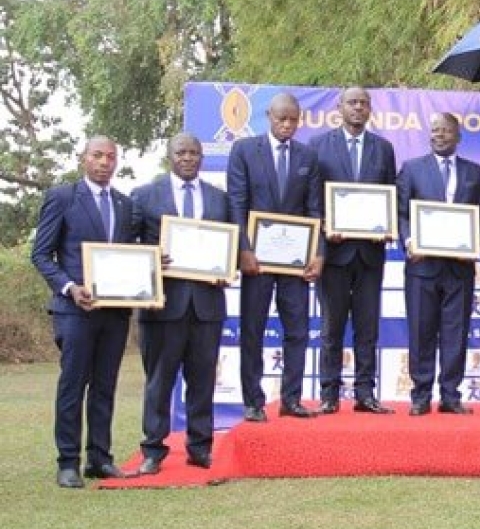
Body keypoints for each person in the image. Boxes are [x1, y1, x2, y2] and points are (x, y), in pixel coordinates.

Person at [31, 136, 134, 487]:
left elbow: (132, 256)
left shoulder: (124, 204)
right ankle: (68, 462)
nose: (105, 162)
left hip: (115, 312)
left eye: (111, 157)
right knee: (73, 385)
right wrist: (69, 287)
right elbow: (41, 254)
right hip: (75, 311)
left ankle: (100, 459)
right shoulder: (62, 197)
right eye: (98, 156)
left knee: (105, 386)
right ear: (83, 159)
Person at [131, 133, 232, 474]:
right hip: (163, 306)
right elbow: (128, 249)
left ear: (202, 157)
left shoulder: (220, 199)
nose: (188, 158)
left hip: (206, 305)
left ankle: (200, 447)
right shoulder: (144, 196)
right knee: (159, 381)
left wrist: (226, 268)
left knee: (202, 379)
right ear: (169, 156)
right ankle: (153, 450)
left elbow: (230, 245)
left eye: (194, 153)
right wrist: (150, 259)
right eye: (182, 152)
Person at [227, 92, 324, 422]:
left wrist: (318, 253)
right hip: (256, 261)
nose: (287, 125)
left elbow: (314, 209)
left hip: (295, 262)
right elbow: (236, 204)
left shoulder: (307, 156)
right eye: (282, 118)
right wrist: (243, 248)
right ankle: (253, 401)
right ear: (269, 116)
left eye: (293, 119)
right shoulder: (244, 150)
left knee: (297, 329)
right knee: (252, 329)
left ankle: (291, 399)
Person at [310, 87, 397, 415]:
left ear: (370, 109)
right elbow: (313, 198)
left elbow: (392, 194)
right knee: (331, 326)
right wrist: (323, 229)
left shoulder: (384, 149)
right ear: (340, 107)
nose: (358, 108)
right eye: (352, 103)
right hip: (333, 254)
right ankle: (329, 393)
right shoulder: (319, 146)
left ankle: (365, 393)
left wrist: (388, 227)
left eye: (363, 103)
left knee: (367, 326)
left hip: (370, 254)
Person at [396, 112, 480, 415]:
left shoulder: (475, 172)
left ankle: (451, 395)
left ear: (458, 136)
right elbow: (401, 213)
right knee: (421, 332)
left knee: (456, 332)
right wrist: (410, 242)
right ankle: (420, 396)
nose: (440, 135)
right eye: (435, 130)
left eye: (446, 131)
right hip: (422, 267)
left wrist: (476, 246)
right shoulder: (411, 169)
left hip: (459, 268)